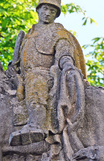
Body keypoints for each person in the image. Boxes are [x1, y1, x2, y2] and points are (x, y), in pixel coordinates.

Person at [8, 0, 87, 146]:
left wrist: (67, 63)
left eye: (52, 11)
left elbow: (64, 50)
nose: (47, 13)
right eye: (45, 9)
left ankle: (36, 124)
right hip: (23, 77)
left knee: (36, 81)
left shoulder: (58, 33)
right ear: (38, 10)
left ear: (56, 15)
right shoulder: (29, 34)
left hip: (44, 75)